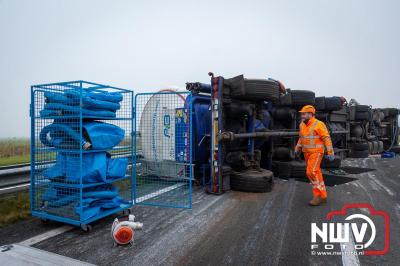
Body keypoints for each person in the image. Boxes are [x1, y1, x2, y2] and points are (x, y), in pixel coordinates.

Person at [295, 105, 335, 206]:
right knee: (316, 172)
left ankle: (318, 195)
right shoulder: (302, 125)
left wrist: (330, 152)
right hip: (307, 152)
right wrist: (297, 148)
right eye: (301, 114)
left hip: (317, 152)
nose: (302, 116)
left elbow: (326, 138)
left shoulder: (319, 124)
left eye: (304, 114)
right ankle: (323, 194)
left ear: (310, 114)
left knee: (311, 172)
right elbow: (301, 137)